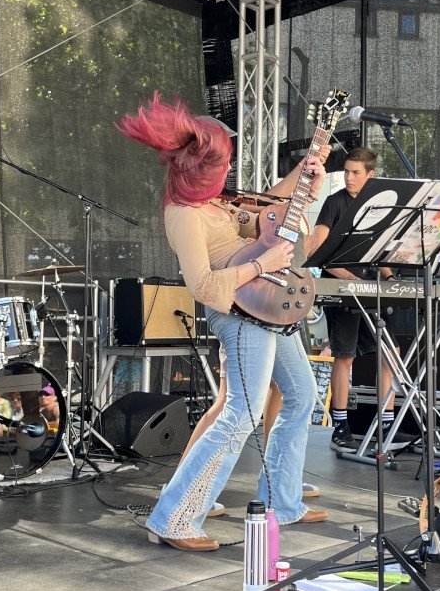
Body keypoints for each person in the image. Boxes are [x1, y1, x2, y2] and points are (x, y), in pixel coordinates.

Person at [117, 94, 328, 551]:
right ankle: (174, 518)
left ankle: (281, 502)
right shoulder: (184, 214)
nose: (228, 170)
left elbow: (270, 204)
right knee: (242, 413)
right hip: (238, 311)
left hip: (268, 305)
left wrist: (305, 176)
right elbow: (203, 286)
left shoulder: (216, 202)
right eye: (221, 165)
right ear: (198, 169)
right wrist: (263, 264)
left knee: (302, 394)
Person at [305, 147, 396, 451]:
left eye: (356, 172)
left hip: (370, 291)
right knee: (345, 356)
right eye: (346, 171)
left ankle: (386, 423)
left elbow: (380, 251)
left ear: (371, 175)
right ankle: (340, 425)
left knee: (390, 353)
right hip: (341, 290)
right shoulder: (334, 202)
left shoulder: (379, 205)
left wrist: (389, 278)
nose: (349, 177)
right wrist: (349, 279)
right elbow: (318, 250)